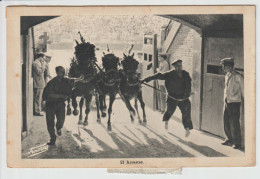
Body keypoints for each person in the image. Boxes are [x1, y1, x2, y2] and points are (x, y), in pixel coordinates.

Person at [141, 59, 193, 137]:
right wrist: (145, 79)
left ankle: (187, 129)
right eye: (177, 66)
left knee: (186, 113)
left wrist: (186, 95)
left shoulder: (186, 74)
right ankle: (166, 120)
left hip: (183, 98)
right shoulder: (170, 74)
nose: (179, 67)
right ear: (174, 67)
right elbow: (158, 75)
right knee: (169, 111)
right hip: (172, 98)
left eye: (180, 65)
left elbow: (188, 86)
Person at [42, 66, 73, 145]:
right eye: (61, 72)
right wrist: (62, 96)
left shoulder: (66, 82)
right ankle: (53, 138)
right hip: (50, 104)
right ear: (57, 73)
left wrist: (68, 97)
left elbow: (70, 91)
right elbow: (49, 95)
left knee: (61, 120)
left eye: (63, 72)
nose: (63, 74)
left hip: (60, 104)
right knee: (50, 122)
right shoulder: (51, 82)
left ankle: (59, 128)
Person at [220, 57, 244, 150]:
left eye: (224, 66)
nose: (223, 68)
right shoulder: (227, 75)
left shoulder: (238, 76)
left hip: (234, 102)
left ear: (229, 66)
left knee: (234, 123)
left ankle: (237, 142)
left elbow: (244, 90)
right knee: (226, 121)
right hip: (227, 101)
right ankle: (229, 139)